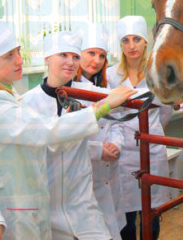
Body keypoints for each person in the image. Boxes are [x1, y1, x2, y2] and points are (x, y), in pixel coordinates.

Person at [0, 20, 135, 239]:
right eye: (9, 55)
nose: (19, 60)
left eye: (18, 52)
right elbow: (47, 131)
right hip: (38, 205)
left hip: (80, 202)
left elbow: (122, 108)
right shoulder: (3, 103)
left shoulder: (14, 97)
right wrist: (101, 108)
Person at [22, 31, 122, 239]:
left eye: (75, 57)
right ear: (48, 59)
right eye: (63, 55)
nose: (71, 62)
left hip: (82, 201)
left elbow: (128, 101)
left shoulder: (87, 92)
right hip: (46, 202)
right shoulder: (27, 102)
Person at [106, 15, 173, 240]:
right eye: (125, 40)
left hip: (151, 149)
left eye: (136, 39)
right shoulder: (110, 75)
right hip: (123, 151)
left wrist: (152, 131)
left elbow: (166, 111)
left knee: (151, 213)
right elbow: (111, 114)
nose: (131, 46)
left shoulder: (159, 72)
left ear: (146, 42)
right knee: (126, 215)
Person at [75, 23, 127, 239]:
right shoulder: (70, 89)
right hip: (83, 176)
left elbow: (115, 123)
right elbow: (63, 137)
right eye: (90, 53)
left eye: (101, 56)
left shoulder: (104, 86)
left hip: (109, 172)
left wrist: (116, 144)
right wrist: (98, 150)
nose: (96, 60)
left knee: (112, 227)